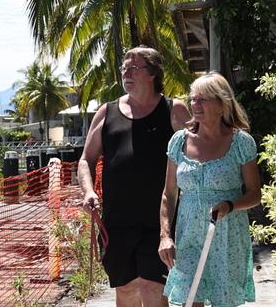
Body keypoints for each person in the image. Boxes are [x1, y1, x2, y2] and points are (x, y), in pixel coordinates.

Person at [79, 46, 190, 306]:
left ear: (152, 73)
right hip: (117, 222)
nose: (126, 72)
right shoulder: (106, 113)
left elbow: (197, 156)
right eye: (124, 68)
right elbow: (86, 159)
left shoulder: (174, 110)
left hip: (161, 222)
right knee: (127, 290)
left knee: (153, 288)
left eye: (133, 67)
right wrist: (88, 191)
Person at [158, 72, 261, 306]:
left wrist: (230, 205)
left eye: (203, 99)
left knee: (223, 301)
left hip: (227, 235)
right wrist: (165, 236)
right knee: (190, 297)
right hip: (189, 235)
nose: (195, 104)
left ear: (221, 103)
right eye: (193, 99)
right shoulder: (179, 141)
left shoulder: (241, 142)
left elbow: (255, 193)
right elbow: (169, 193)